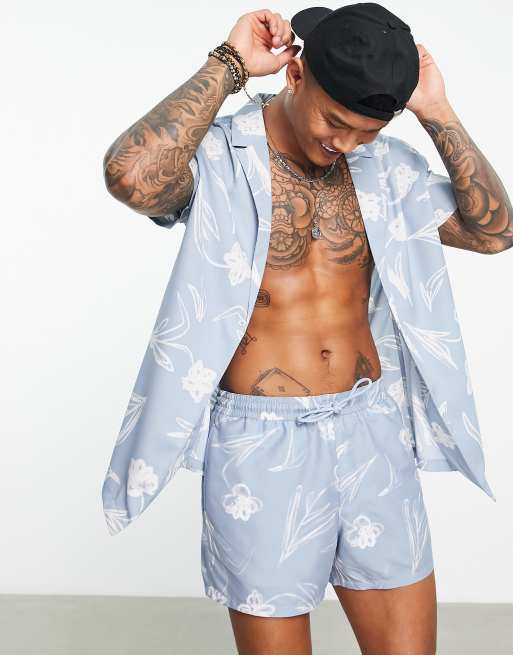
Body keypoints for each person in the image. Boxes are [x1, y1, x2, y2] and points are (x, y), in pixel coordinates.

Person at [102, 4, 512, 654]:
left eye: (366, 132)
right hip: (260, 442)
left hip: (370, 430)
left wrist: (437, 113)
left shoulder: (389, 169)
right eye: (335, 123)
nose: (346, 144)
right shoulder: (221, 157)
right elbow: (130, 176)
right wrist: (229, 65)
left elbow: (494, 232)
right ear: (295, 74)